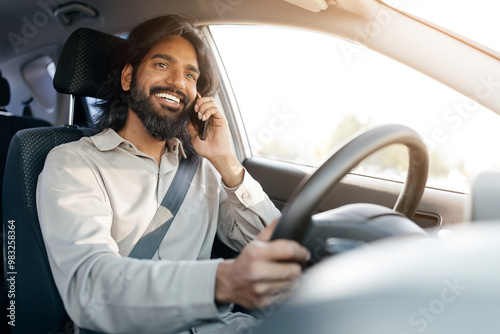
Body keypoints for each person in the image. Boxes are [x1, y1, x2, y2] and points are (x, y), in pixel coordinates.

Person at [36, 15, 310, 334]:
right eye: (162, 65)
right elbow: (93, 291)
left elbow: (270, 247)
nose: (179, 83)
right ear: (128, 78)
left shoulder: (203, 170)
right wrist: (221, 283)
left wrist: (227, 163)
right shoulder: (74, 164)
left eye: (190, 74)